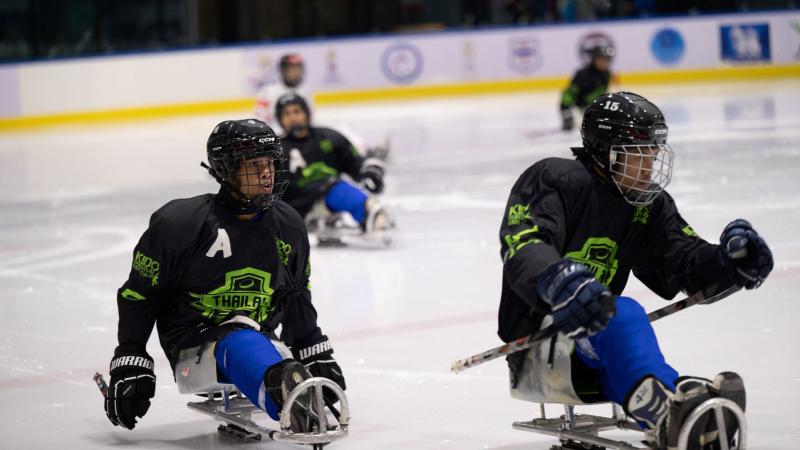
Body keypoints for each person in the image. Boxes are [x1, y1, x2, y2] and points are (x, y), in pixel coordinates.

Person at [499, 92, 772, 449]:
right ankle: (668, 415)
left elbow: (684, 262)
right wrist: (557, 281)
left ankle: (678, 405)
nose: (650, 165)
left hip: (600, 341)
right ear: (604, 151)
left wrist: (729, 262)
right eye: (638, 154)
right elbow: (523, 243)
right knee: (623, 311)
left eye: (654, 153)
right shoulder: (557, 179)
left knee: (619, 327)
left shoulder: (648, 204)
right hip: (544, 339)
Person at [103, 119, 346, 432]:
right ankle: (285, 397)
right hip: (194, 344)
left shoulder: (288, 224)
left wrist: (312, 348)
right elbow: (140, 294)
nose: (266, 173)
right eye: (253, 165)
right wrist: (130, 356)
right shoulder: (180, 224)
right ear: (226, 170)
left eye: (270, 163)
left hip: (261, 338)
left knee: (256, 342)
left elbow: (295, 294)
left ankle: (282, 380)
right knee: (241, 339)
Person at [274, 93, 389, 234]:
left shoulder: (329, 137)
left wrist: (370, 171)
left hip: (329, 196)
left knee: (335, 188)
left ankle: (369, 211)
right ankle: (369, 212)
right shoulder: (275, 149)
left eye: (297, 111)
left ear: (307, 113)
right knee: (335, 188)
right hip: (296, 210)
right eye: (286, 114)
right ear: (280, 119)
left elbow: (354, 162)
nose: (292, 117)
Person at [559, 45, 614, 131]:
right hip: (578, 101)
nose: (605, 62)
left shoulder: (607, 74)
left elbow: (602, 92)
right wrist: (566, 109)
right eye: (602, 59)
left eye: (607, 60)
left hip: (590, 104)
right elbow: (570, 92)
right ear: (594, 59)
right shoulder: (583, 74)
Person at [254, 53, 312, 131]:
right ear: (283, 71)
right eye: (292, 69)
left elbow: (309, 119)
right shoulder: (268, 92)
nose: (297, 73)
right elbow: (260, 121)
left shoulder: (305, 91)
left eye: (299, 69)